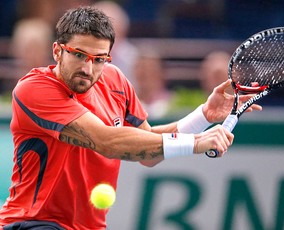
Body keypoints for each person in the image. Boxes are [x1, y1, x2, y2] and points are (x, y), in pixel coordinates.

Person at [0, 6, 261, 230]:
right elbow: (106, 141)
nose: (87, 68)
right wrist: (196, 142)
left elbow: (146, 149)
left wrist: (204, 115)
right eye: (79, 55)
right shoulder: (34, 89)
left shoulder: (114, 80)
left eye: (99, 59)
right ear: (57, 51)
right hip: (33, 221)